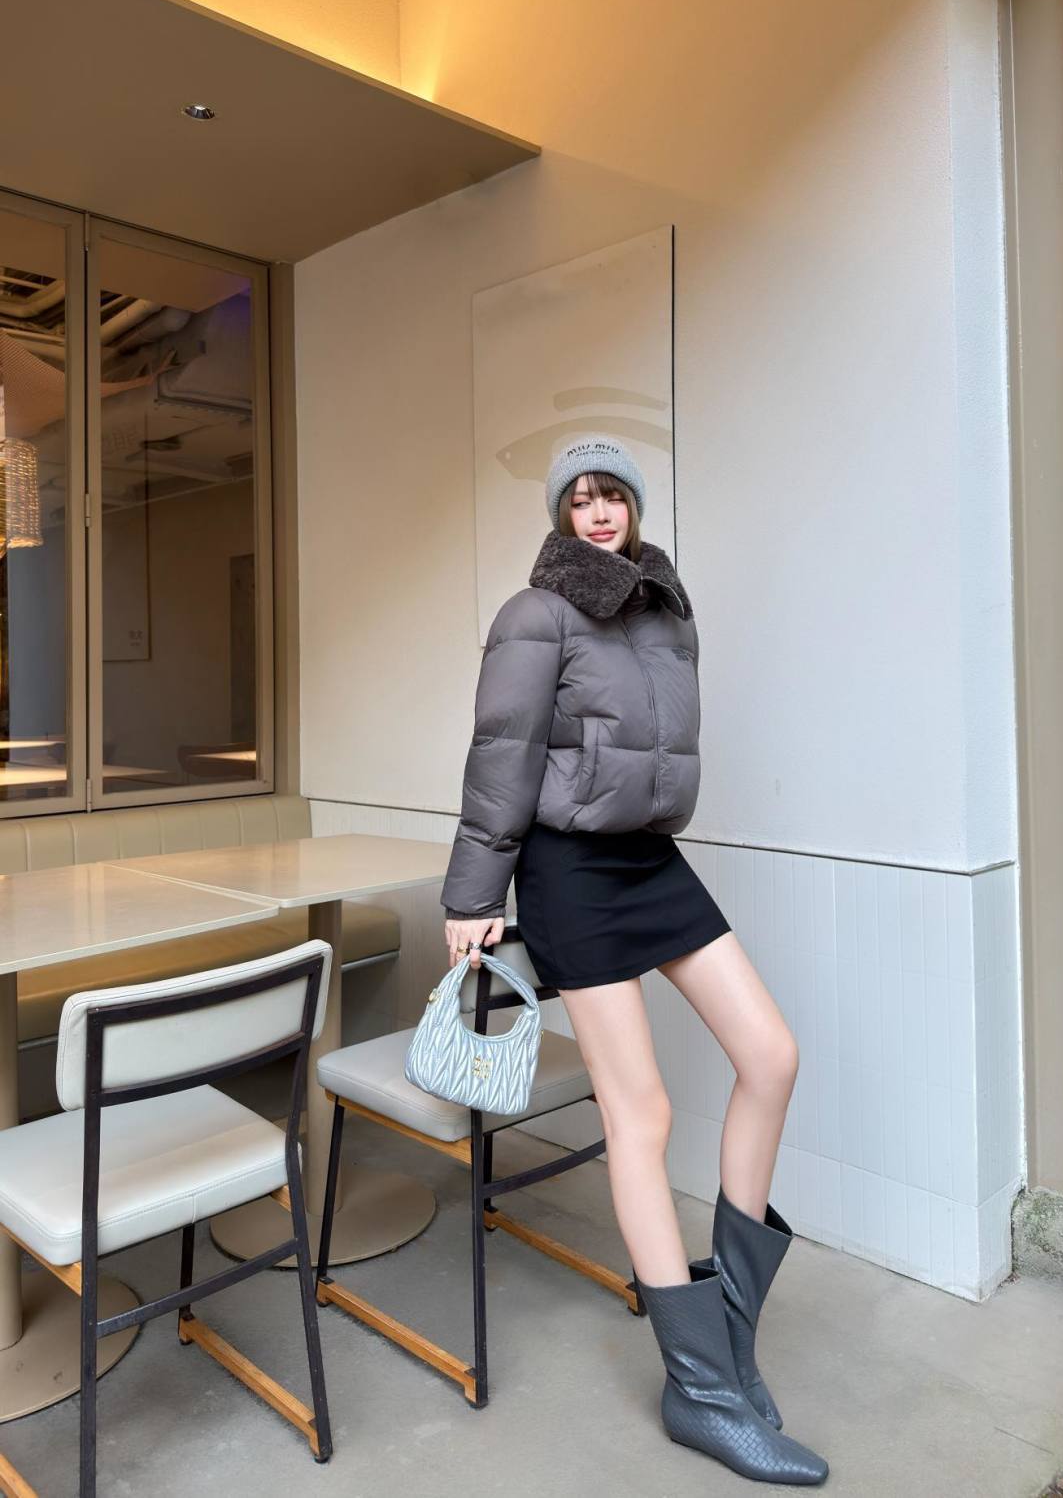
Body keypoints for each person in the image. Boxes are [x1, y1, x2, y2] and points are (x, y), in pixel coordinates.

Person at [440, 435, 827, 1486]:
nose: (600, 511)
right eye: (581, 498)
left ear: (635, 508)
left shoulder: (667, 611)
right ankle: (702, 1388)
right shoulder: (536, 613)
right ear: (561, 515)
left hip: (651, 862)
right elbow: (502, 750)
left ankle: (730, 1330)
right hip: (570, 872)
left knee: (771, 1056)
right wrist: (473, 895)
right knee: (642, 1115)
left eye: (613, 495)